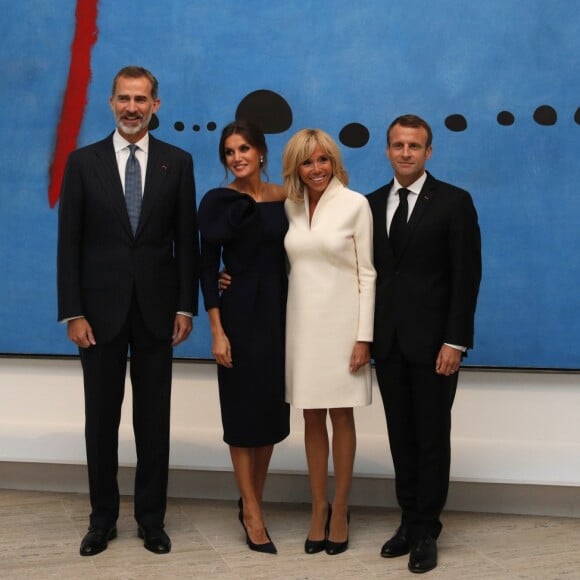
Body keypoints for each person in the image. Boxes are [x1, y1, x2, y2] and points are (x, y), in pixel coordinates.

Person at [57, 66, 199, 557]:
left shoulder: (177, 163)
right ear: (111, 103)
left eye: (141, 99)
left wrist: (186, 306)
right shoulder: (82, 162)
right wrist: (73, 312)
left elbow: (186, 241)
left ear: (156, 105)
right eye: (124, 98)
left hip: (159, 313)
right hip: (96, 315)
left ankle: (151, 520)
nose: (132, 107)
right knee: (100, 421)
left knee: (152, 421)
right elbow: (68, 244)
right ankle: (101, 520)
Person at [367, 114, 481, 573]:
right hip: (389, 344)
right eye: (398, 145)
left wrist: (456, 341)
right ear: (388, 150)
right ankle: (409, 521)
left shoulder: (454, 202)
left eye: (415, 146)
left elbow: (466, 278)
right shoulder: (371, 204)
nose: (406, 153)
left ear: (429, 151)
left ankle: (427, 529)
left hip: (437, 346)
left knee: (432, 438)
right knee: (401, 437)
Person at [197, 121, 290, 555]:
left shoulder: (287, 197)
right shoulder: (217, 201)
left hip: (281, 312)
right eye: (229, 152)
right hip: (237, 314)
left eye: (244, 149)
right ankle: (252, 510)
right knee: (240, 412)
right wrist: (217, 330)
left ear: (262, 153)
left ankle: (253, 496)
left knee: (270, 411)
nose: (237, 157)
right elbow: (205, 266)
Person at [282, 129, 376, 556]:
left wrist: (363, 337)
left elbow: (367, 274)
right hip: (302, 326)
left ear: (334, 162)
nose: (316, 169)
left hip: (343, 328)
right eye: (307, 162)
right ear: (296, 168)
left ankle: (341, 509)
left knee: (341, 415)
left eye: (323, 160)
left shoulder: (356, 204)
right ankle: (317, 508)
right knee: (311, 417)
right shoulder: (291, 206)